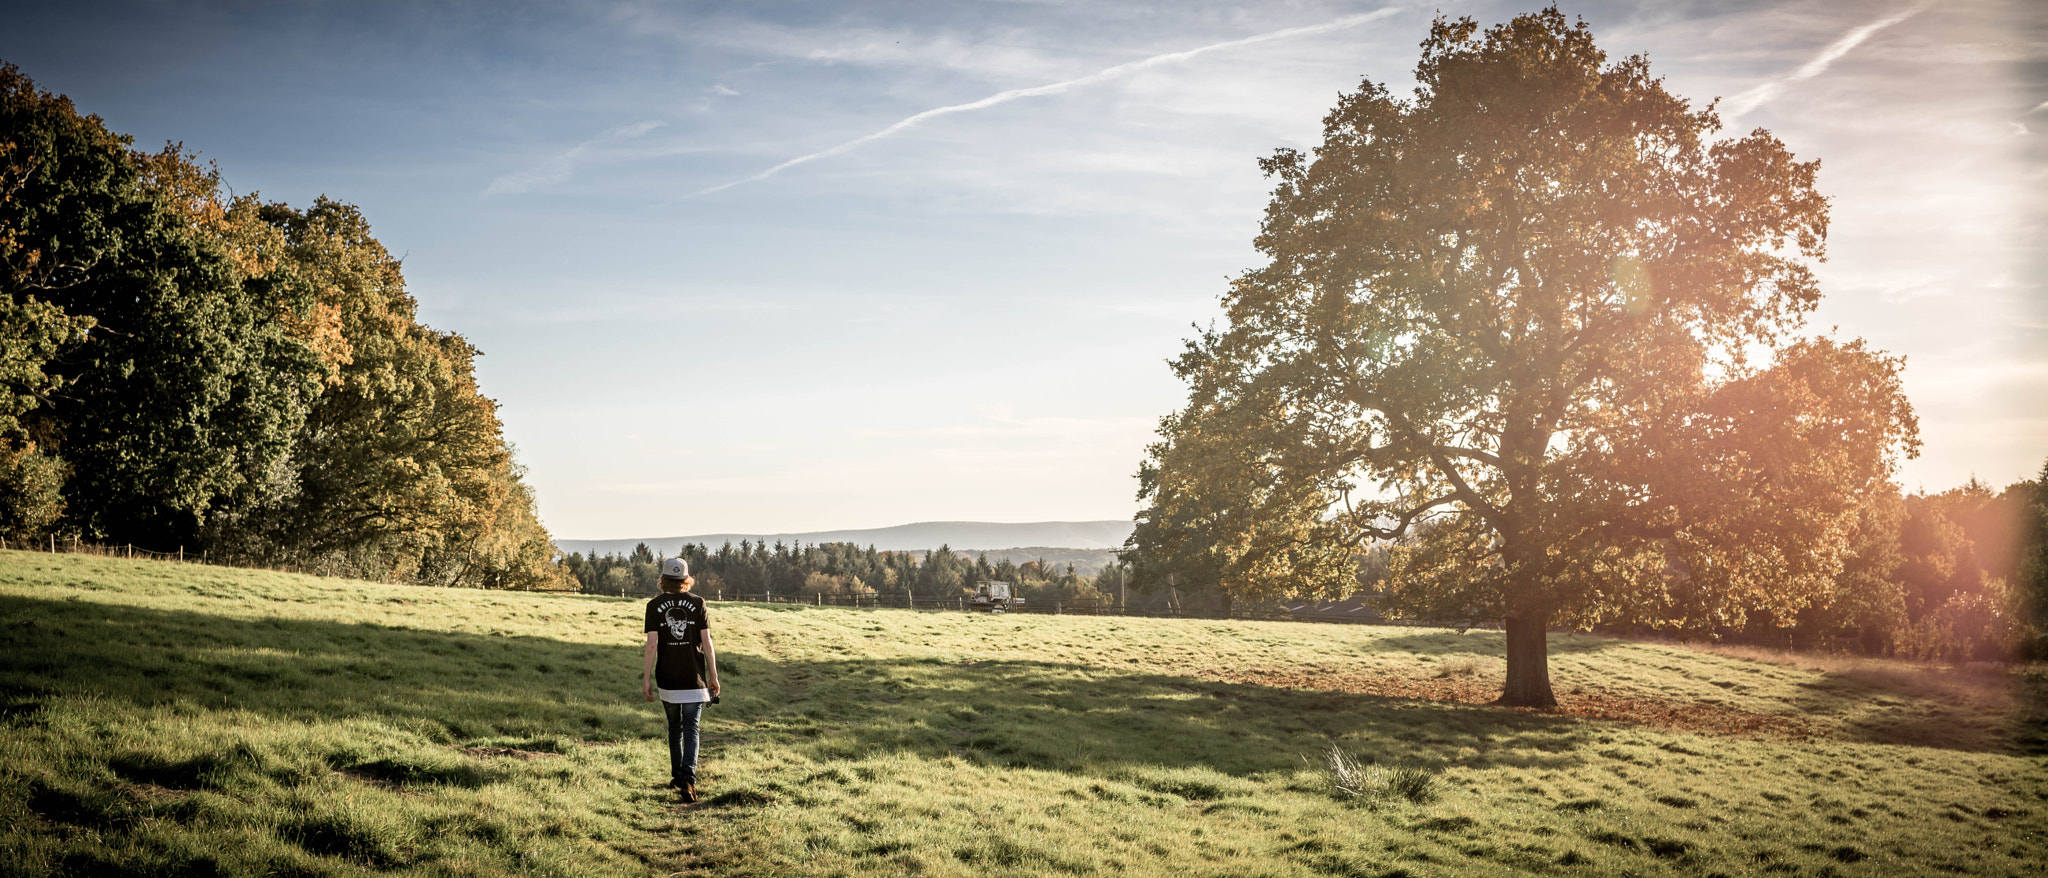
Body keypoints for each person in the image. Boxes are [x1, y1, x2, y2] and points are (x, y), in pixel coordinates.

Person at [643, 557, 720, 801]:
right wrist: (714, 676)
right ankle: (688, 778)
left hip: (667, 677)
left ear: (664, 579)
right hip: (693, 677)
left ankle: (677, 776)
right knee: (691, 728)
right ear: (686, 580)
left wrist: (646, 679)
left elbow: (651, 645)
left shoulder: (654, 605)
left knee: (675, 728)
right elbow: (706, 642)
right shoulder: (698, 603)